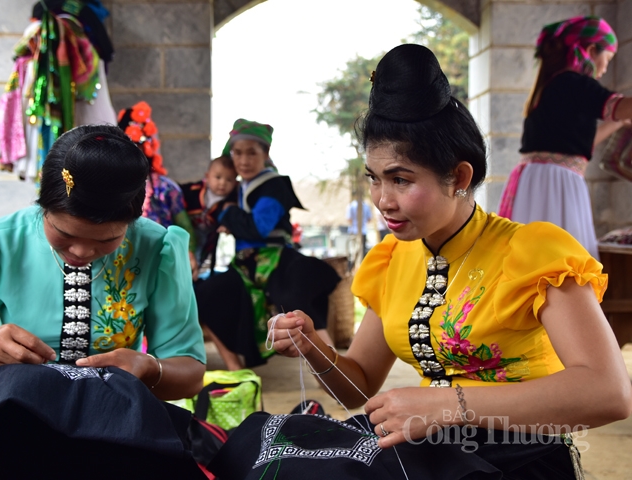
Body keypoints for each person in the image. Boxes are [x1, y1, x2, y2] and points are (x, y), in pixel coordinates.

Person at [270, 44, 631, 477]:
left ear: (459, 177)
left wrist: (446, 405)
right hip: (428, 452)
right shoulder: (393, 259)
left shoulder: (532, 254)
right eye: (373, 178)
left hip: (518, 457)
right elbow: (359, 384)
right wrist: (315, 348)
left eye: (401, 179)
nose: (383, 200)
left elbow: (608, 392)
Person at [0, 124, 206, 399]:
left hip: (114, 423)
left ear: (133, 220)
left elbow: (190, 374)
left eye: (106, 241)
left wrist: (150, 368)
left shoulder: (156, 247)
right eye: (63, 234)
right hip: (16, 423)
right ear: (42, 208)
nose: (80, 252)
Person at [195, 119, 341, 371]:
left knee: (297, 301)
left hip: (277, 260)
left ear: (266, 153)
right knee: (203, 295)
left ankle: (336, 371)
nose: (244, 160)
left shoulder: (273, 185)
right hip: (245, 264)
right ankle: (235, 368)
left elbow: (258, 228)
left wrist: (229, 213)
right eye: (238, 153)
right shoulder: (239, 187)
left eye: (252, 152)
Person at [498, 16, 632, 259]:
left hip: (539, 179)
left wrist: (620, 122)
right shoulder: (573, 83)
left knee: (539, 259)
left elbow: (581, 145)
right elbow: (621, 106)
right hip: (556, 183)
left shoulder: (555, 85)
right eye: (607, 59)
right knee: (564, 260)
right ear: (591, 51)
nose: (605, 68)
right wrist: (623, 114)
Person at [117, 101, 199, 277]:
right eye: (128, 146)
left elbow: (185, 228)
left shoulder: (167, 188)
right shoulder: (109, 187)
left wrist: (189, 255)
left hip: (161, 262)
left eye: (139, 146)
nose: (134, 153)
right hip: (119, 263)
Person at [179, 155, 238, 277]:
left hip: (208, 239)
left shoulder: (232, 202)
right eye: (218, 177)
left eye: (229, 180)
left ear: (236, 183)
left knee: (198, 262)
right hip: (187, 231)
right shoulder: (193, 190)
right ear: (207, 176)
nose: (222, 183)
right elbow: (176, 193)